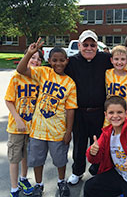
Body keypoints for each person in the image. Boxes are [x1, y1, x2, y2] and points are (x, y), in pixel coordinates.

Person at [16, 38, 78, 197]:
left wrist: (68, 131)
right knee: (37, 160)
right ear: (49, 61)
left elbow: (70, 109)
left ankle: (61, 181)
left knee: (60, 160)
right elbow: (21, 69)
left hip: (57, 130)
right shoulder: (43, 72)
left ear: (67, 61)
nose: (58, 63)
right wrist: (30, 53)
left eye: (61, 60)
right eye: (54, 60)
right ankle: (39, 184)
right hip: (38, 129)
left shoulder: (70, 83)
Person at [64, 30, 113, 185]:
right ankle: (77, 171)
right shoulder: (71, 61)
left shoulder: (105, 59)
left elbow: (124, 61)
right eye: (85, 44)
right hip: (79, 112)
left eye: (92, 45)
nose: (89, 48)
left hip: (99, 112)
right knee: (79, 145)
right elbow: (53, 71)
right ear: (79, 45)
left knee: (98, 143)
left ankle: (97, 170)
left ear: (97, 46)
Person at [5, 49, 43, 197]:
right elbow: (9, 100)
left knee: (25, 154)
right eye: (33, 57)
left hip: (31, 127)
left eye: (39, 59)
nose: (36, 61)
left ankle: (23, 179)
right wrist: (18, 120)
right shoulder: (17, 77)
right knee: (14, 157)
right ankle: (14, 188)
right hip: (17, 127)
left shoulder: (38, 78)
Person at [104, 45, 127, 126]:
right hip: (110, 114)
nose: (119, 62)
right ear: (111, 60)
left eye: (122, 59)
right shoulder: (107, 73)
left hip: (125, 115)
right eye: (116, 59)